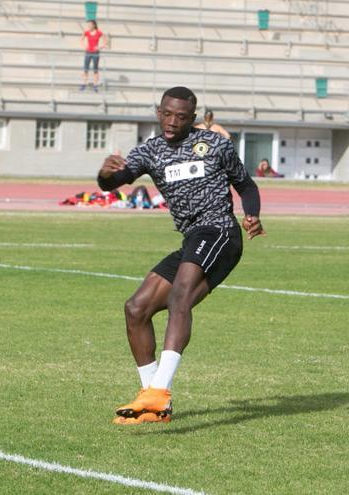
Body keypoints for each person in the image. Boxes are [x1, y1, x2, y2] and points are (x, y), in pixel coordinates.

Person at [97, 87, 264, 424]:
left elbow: (246, 185)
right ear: (159, 112)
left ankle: (161, 393)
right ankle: (152, 399)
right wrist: (105, 175)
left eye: (181, 117)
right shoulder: (150, 150)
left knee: (179, 297)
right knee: (136, 308)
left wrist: (252, 214)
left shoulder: (215, 144)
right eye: (167, 114)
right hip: (191, 239)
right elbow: (113, 182)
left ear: (193, 117)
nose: (172, 122)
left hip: (219, 231)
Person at [80, 20, 107, 92]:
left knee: (95, 70)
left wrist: (100, 47)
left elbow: (105, 41)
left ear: (94, 25)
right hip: (88, 52)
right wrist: (84, 46)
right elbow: (81, 39)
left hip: (95, 53)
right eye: (88, 25)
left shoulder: (99, 32)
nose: (88, 26)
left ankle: (95, 85)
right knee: (86, 69)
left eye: (90, 25)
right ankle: (84, 83)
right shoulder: (87, 32)